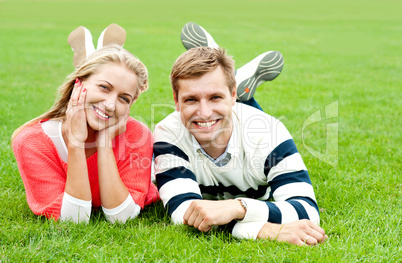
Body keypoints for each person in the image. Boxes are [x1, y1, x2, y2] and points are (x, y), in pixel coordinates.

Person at [153, 22, 327, 246]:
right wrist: (265, 230)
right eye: (191, 99)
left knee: (246, 128)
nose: (204, 112)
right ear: (176, 102)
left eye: (215, 97)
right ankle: (222, 67)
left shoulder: (270, 132)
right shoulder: (168, 133)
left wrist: (238, 207)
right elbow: (183, 213)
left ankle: (226, 69)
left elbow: (306, 210)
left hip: (249, 127)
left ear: (233, 95)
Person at [11, 24, 159, 224]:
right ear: (79, 84)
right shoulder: (32, 141)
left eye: (124, 98)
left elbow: (120, 217)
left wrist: (105, 143)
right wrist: (76, 142)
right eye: (104, 87)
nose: (110, 104)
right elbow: (75, 219)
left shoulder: (136, 134)